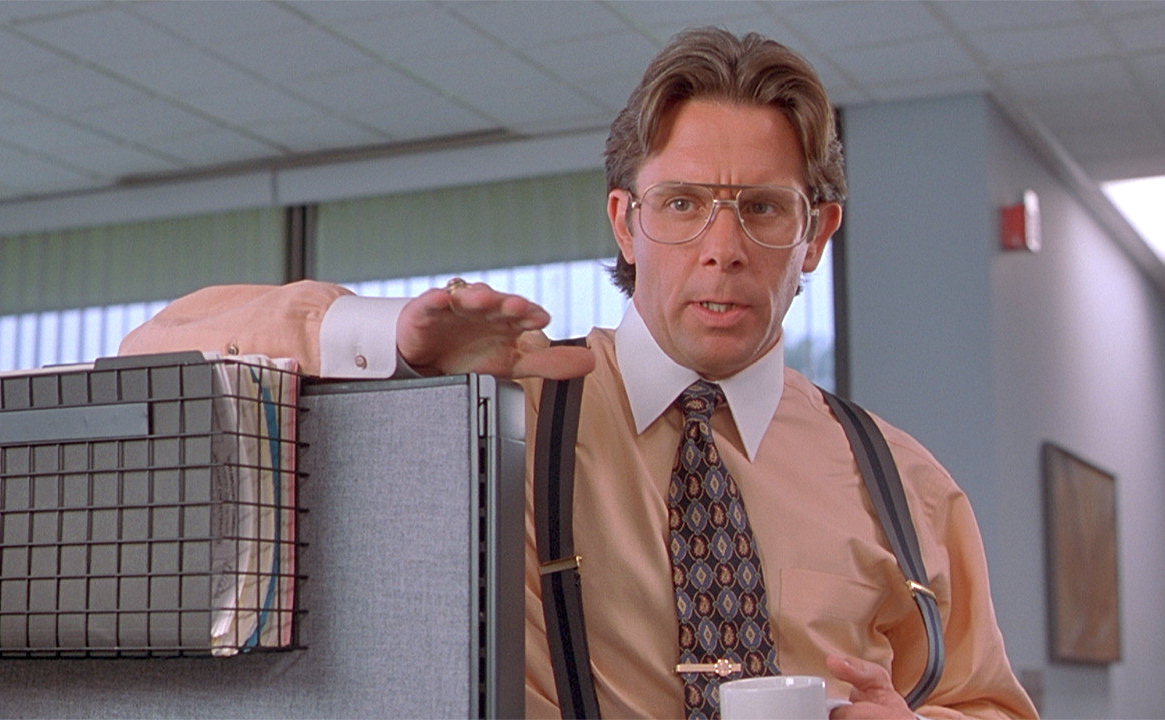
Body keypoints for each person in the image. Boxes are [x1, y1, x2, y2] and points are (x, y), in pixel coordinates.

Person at [120, 27, 1037, 720]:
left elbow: (989, 704)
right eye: (682, 203)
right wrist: (396, 344)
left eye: (762, 208)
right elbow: (157, 346)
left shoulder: (905, 483)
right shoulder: (492, 412)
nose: (721, 248)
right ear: (625, 223)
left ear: (815, 237)